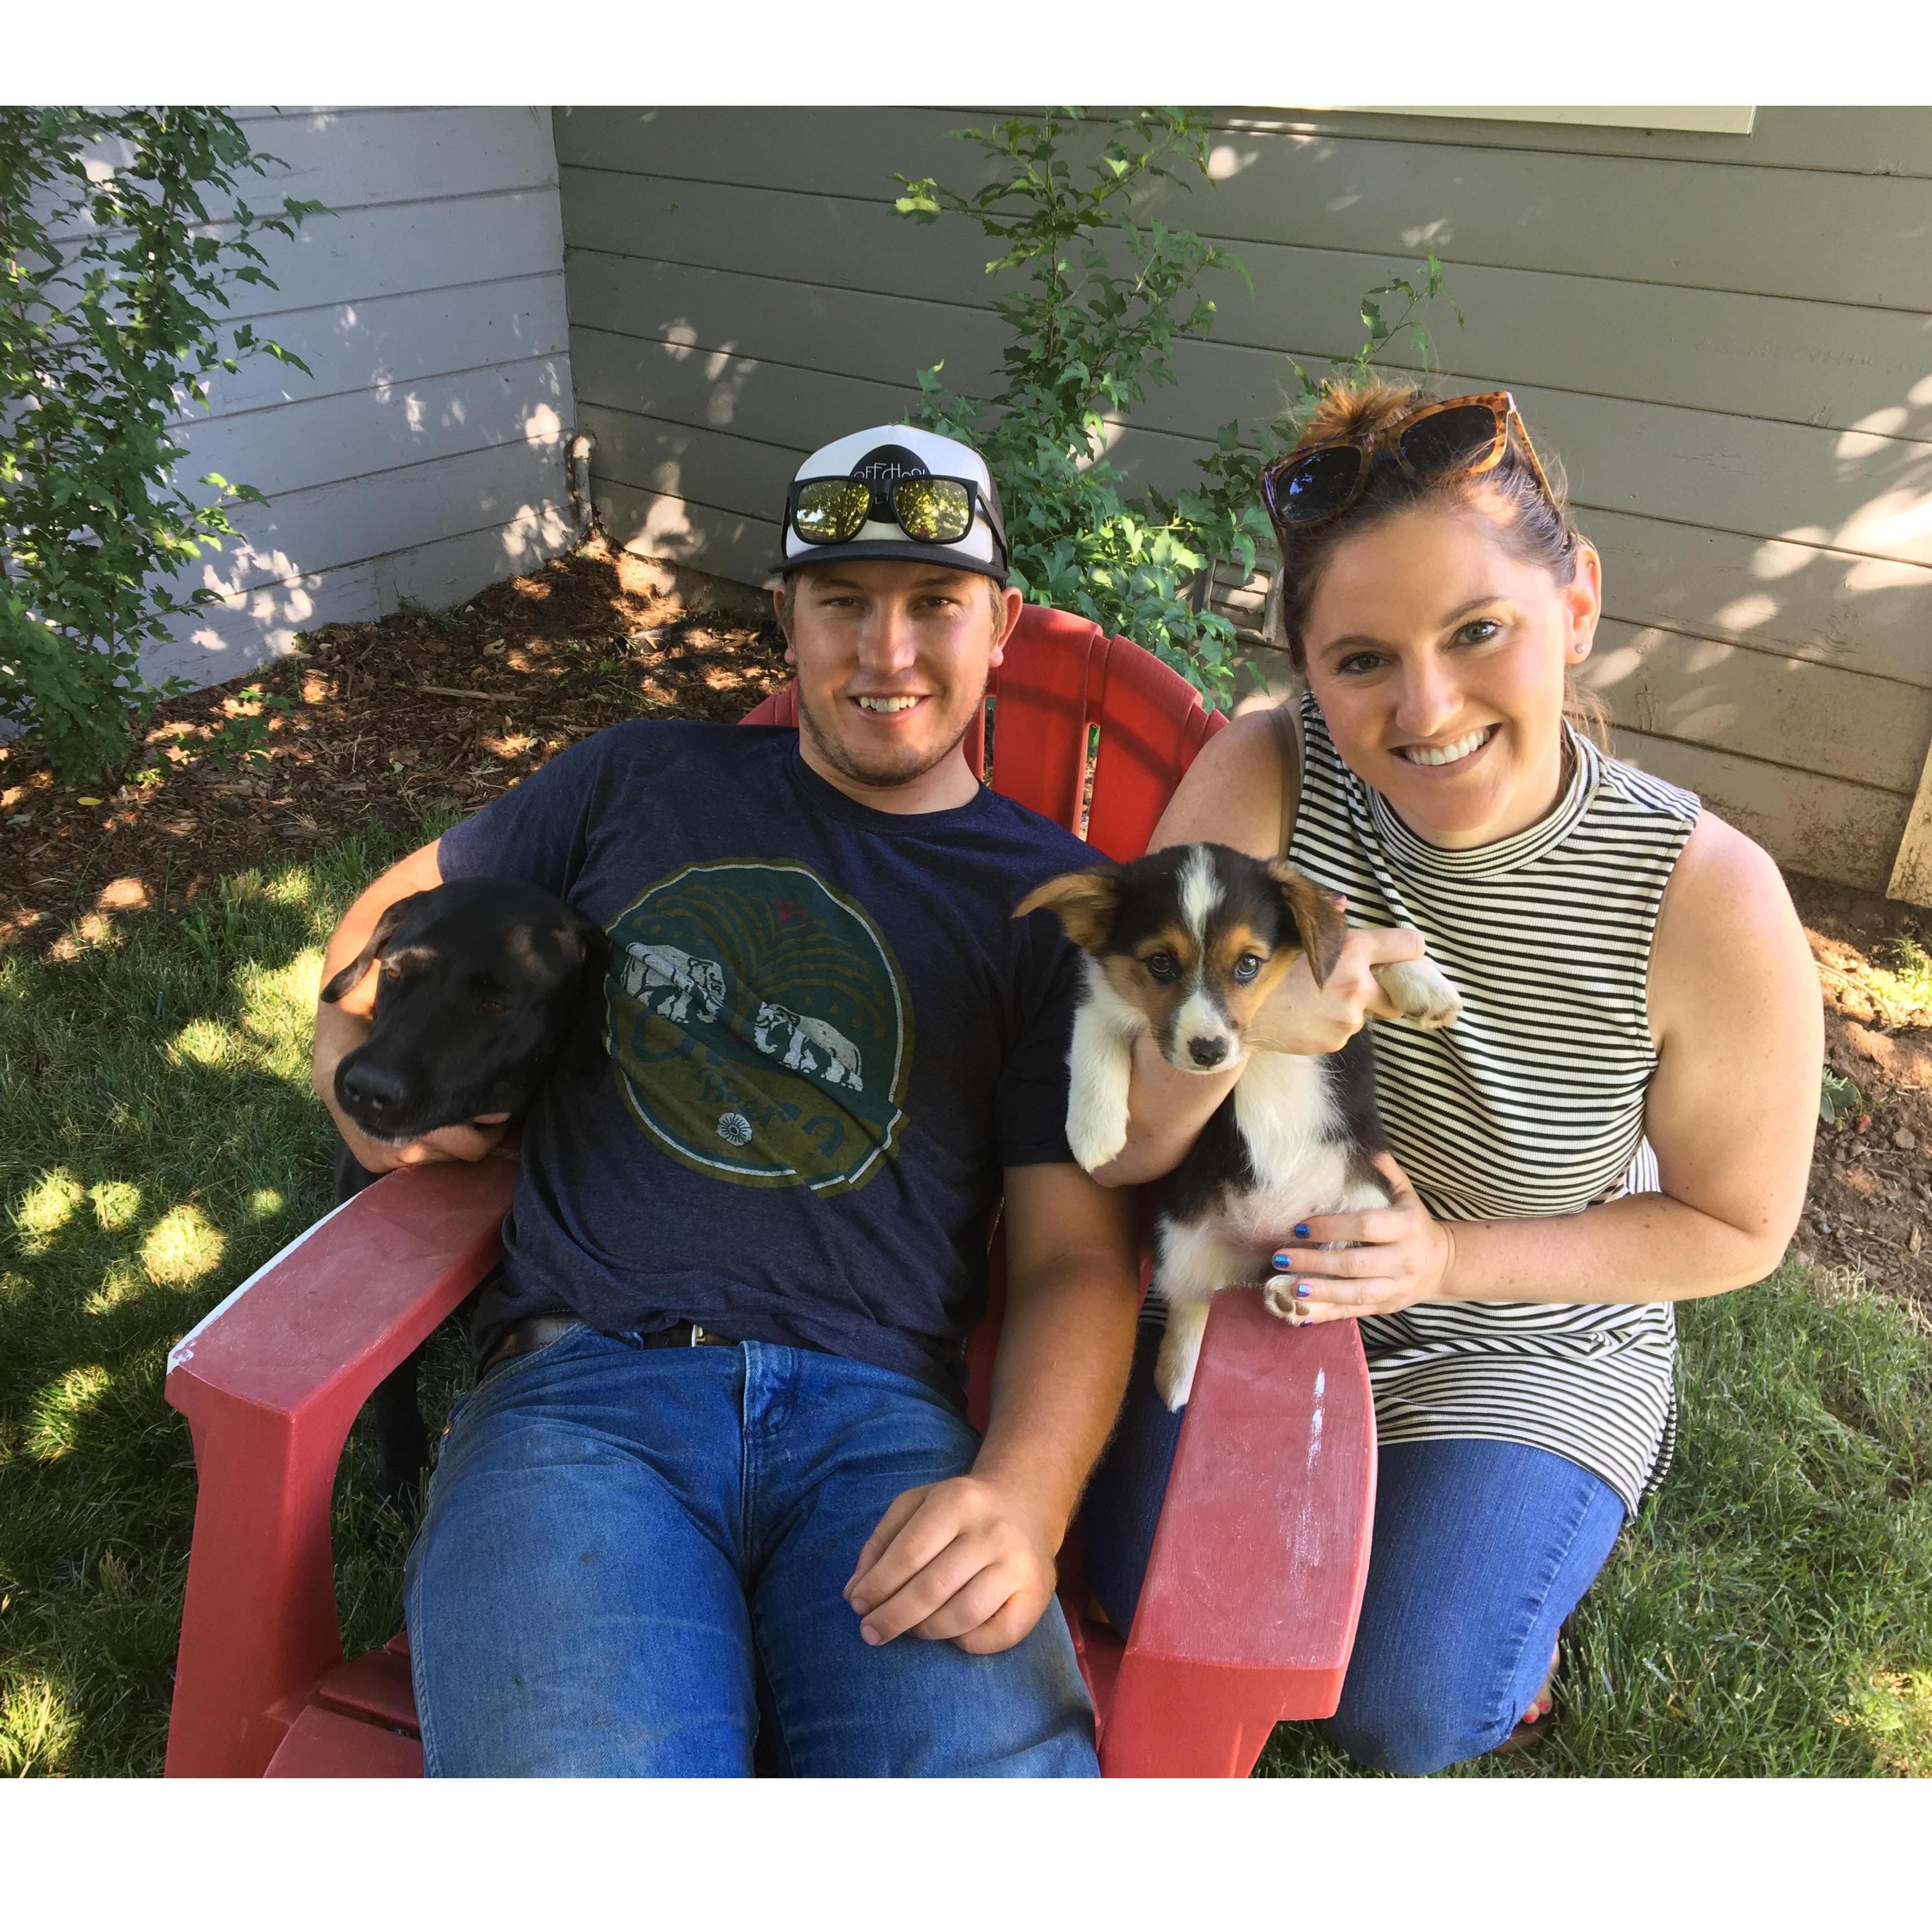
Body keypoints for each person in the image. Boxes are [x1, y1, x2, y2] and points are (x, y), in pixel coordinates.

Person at [311, 424, 1140, 1777]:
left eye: (935, 604)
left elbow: (1074, 1254)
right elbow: (385, 922)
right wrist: (346, 1071)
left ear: (1002, 627)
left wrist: (1023, 1494)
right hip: (582, 1399)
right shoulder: (638, 779)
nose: (886, 653)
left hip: (882, 1435)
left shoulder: (1054, 911)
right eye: (842, 602)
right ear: (784, 619)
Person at [1077, 382, 1821, 1775]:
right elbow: (1114, 1145)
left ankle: (1524, 1571)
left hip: (1525, 1325)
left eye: (1479, 631)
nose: (1425, 708)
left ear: (1576, 606)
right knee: (1136, 1589)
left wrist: (1442, 1263)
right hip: (1264, 1272)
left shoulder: (1704, 896)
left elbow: (1735, 1226)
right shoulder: (1267, 779)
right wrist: (1251, 1024)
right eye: (1362, 659)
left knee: (1402, 1701)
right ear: (1308, 669)